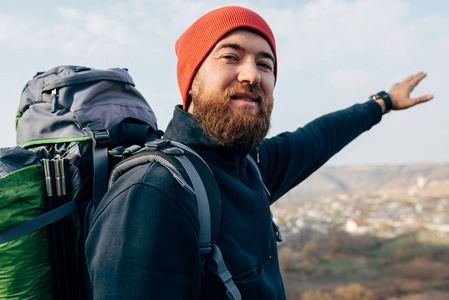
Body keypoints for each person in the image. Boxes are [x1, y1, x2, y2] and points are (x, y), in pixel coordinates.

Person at [85, 6, 433, 300]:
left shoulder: (250, 166)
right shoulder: (156, 191)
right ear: (191, 80)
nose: (252, 75)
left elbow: (319, 137)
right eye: (231, 57)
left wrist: (382, 102)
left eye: (265, 65)